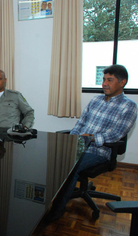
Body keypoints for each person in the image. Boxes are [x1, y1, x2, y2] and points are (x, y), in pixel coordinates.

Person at [47, 64, 137, 222]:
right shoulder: (96, 100)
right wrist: (70, 140)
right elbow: (80, 125)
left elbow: (116, 134)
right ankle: (45, 200)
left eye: (110, 80)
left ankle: (56, 210)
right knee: (50, 157)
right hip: (78, 145)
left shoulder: (128, 106)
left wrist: (93, 137)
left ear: (122, 82)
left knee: (70, 166)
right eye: (103, 79)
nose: (104, 83)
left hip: (100, 151)